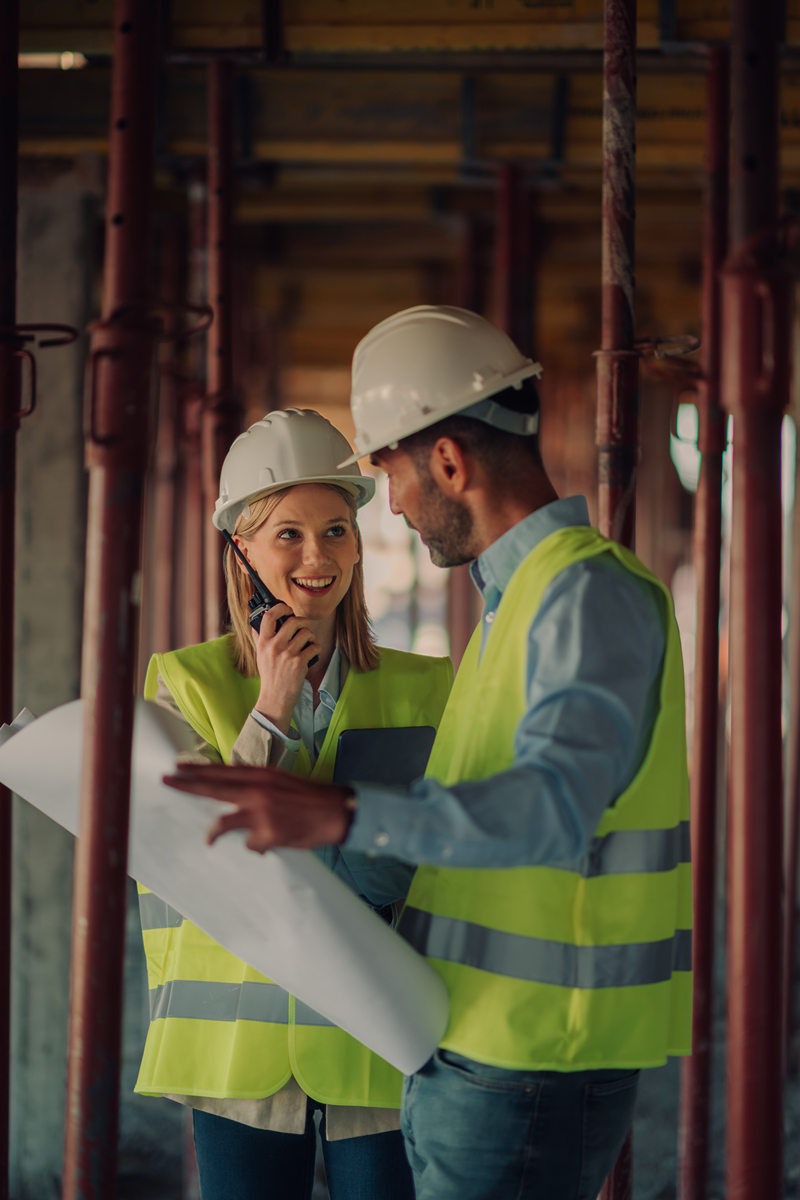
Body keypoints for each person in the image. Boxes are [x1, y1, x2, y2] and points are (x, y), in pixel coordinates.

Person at [166, 307, 692, 1200]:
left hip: (523, 1049)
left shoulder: (574, 597)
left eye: (390, 480)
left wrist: (340, 814)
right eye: (287, 533)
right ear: (242, 545)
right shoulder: (516, 605)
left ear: (448, 461)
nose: (394, 509)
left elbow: (553, 805)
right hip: (461, 1044)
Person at [138, 407, 453, 1200]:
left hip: (377, 1028)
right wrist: (270, 712)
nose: (319, 557)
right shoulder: (184, 682)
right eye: (288, 534)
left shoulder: (426, 687)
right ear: (240, 552)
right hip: (241, 1051)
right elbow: (193, 853)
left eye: (337, 530)